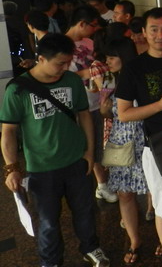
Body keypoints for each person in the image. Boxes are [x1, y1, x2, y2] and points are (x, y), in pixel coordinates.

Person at [0, 33, 110, 267]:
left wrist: (90, 152)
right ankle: (50, 261)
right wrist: (11, 168)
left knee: (85, 210)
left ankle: (90, 247)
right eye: (59, 63)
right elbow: (8, 131)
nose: (64, 68)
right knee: (48, 221)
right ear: (40, 58)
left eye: (67, 62)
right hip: (42, 167)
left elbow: (84, 115)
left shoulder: (70, 80)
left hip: (76, 160)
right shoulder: (18, 90)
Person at [116, 7, 162, 259]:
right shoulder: (133, 68)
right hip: (159, 145)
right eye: (154, 29)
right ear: (144, 33)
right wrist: (159, 106)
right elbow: (124, 113)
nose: (161, 35)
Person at [100, 38, 148, 265]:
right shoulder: (113, 80)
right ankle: (134, 240)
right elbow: (110, 113)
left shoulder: (140, 76)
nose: (107, 61)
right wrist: (106, 109)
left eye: (112, 56)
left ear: (124, 56)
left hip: (145, 141)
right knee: (124, 193)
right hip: (121, 141)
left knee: (155, 193)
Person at [66, 5, 118, 203]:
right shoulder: (60, 44)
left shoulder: (89, 41)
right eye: (93, 25)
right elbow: (56, 74)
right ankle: (96, 186)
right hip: (77, 104)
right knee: (84, 146)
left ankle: (103, 184)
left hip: (98, 101)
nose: (95, 29)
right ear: (82, 23)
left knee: (97, 145)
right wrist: (88, 73)